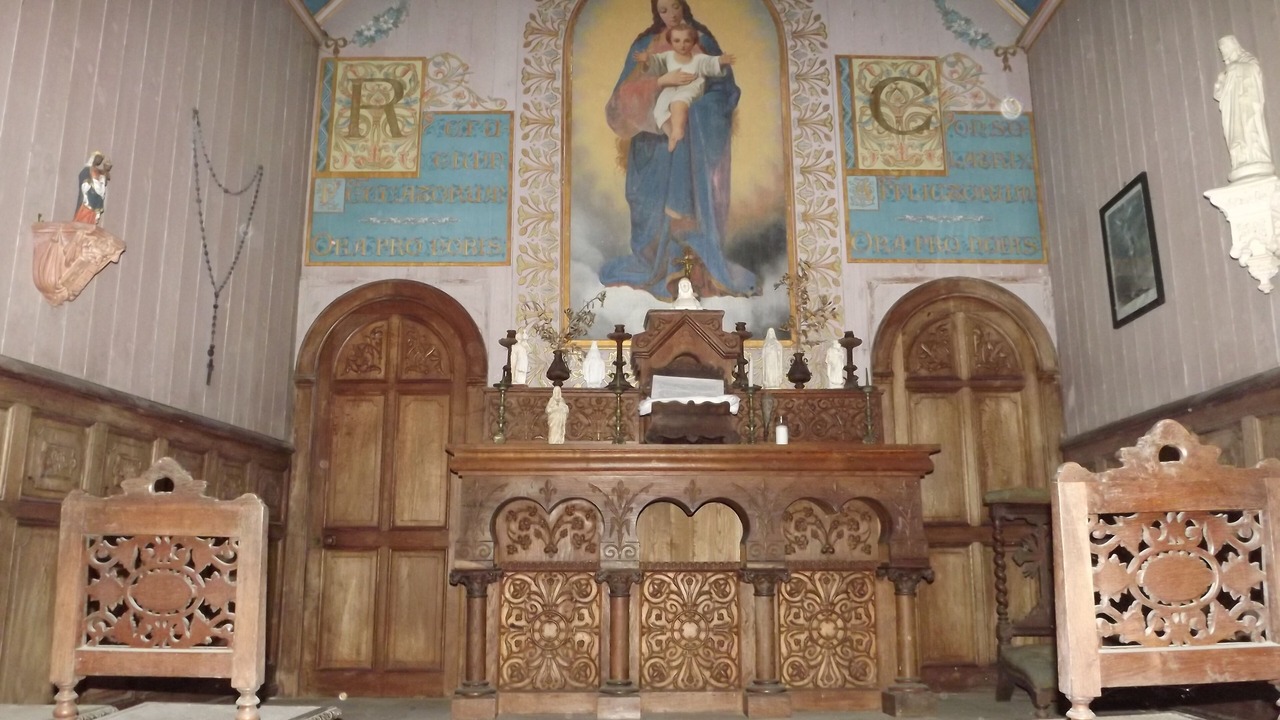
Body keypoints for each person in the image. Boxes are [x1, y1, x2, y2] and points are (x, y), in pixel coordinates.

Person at [600, 0, 757, 303]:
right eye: (663, 11)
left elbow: (725, 92)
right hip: (652, 145)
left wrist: (694, 111)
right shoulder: (646, 44)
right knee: (647, 205)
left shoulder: (701, 41)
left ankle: (695, 274)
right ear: (656, 13)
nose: (671, 16)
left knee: (688, 215)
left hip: (693, 146)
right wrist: (661, 83)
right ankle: (654, 266)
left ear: (683, 6)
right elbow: (621, 100)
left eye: (675, 8)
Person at [636, 23, 735, 152]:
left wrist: (720, 61)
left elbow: (710, 63)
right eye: (677, 41)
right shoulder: (668, 56)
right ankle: (671, 134)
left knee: (678, 102)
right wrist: (647, 59)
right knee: (658, 111)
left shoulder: (698, 59)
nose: (682, 45)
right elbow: (656, 62)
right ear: (670, 42)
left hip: (691, 87)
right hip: (671, 88)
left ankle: (678, 130)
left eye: (686, 41)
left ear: (693, 42)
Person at [1213, 35, 1273, 182]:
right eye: (1221, 50)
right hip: (1232, 111)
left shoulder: (1247, 61)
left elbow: (1253, 69)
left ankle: (1254, 155)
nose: (1223, 53)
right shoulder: (1227, 71)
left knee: (1249, 128)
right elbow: (1220, 94)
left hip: (1246, 106)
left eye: (1224, 49)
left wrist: (1234, 69)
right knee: (1235, 134)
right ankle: (1239, 158)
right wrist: (1220, 84)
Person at [74, 152, 112, 225]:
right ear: (94, 158)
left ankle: (91, 223)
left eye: (101, 160)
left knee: (94, 212)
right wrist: (88, 185)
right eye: (98, 158)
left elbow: (106, 176)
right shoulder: (87, 169)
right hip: (89, 192)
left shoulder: (98, 170)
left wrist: (106, 170)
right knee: (86, 209)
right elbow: (83, 178)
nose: (99, 161)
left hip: (97, 194)